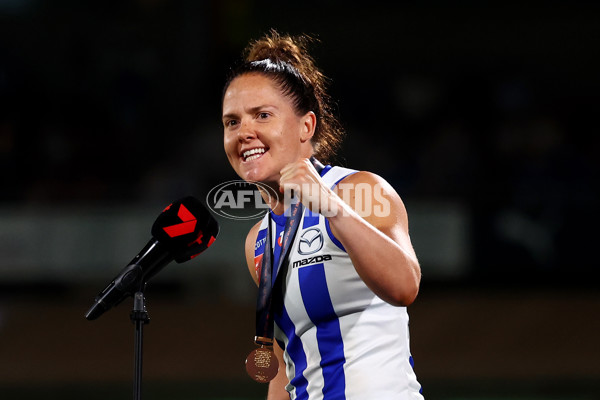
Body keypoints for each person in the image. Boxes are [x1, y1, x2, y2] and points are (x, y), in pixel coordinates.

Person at [221, 29, 424, 400]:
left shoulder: (359, 191)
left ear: (306, 126)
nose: (244, 132)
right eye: (232, 122)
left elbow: (405, 285)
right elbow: (284, 366)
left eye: (262, 115)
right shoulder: (258, 240)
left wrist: (331, 207)